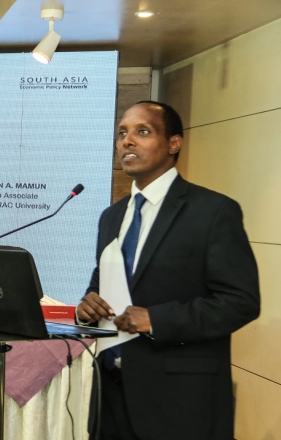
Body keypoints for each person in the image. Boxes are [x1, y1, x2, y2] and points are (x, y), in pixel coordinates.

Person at [76, 101, 260, 440]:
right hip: (111, 398)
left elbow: (241, 301)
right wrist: (86, 308)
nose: (127, 142)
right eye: (122, 134)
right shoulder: (111, 216)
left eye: (142, 132)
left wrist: (157, 320)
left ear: (174, 143)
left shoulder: (213, 212)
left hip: (179, 405)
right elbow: (101, 285)